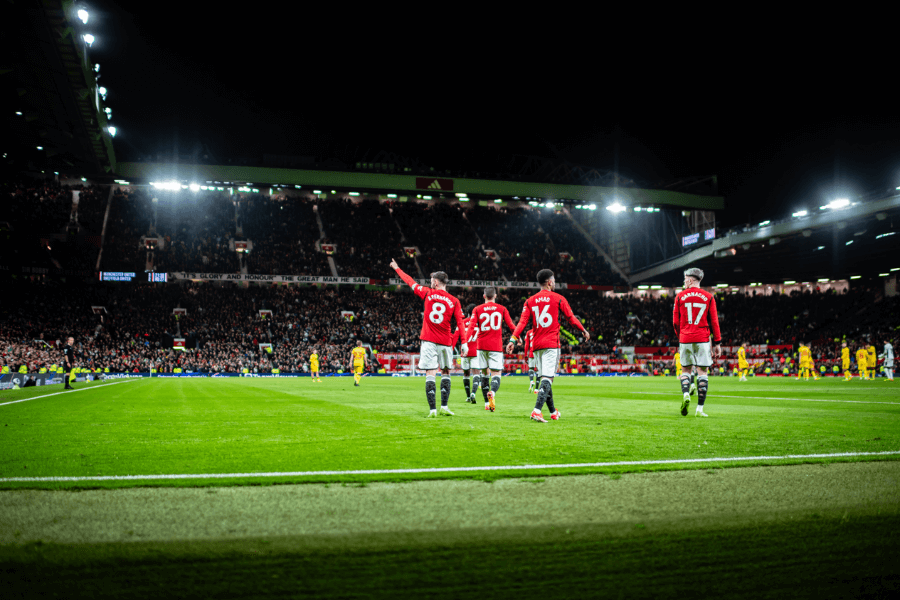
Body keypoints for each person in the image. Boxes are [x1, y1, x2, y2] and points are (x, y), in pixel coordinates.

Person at [506, 269, 589, 423]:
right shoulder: (558, 298)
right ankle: (537, 411)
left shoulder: (530, 301)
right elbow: (571, 318)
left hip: (536, 346)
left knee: (545, 378)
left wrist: (513, 339)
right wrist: (583, 330)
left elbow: (522, 322)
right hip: (551, 344)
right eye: (554, 280)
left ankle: (552, 411)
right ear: (550, 282)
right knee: (547, 379)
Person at [390, 258, 465, 417]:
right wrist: (463, 342)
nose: (430, 283)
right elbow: (460, 323)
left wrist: (397, 268)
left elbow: (409, 282)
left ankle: (433, 410)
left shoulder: (427, 293)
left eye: (432, 280)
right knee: (445, 372)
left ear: (436, 283)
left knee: (430, 373)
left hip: (429, 341)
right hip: (445, 341)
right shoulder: (454, 301)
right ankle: (444, 407)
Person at [672, 267, 722, 417]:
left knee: (686, 371)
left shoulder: (680, 296)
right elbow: (714, 322)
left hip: (685, 338)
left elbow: (675, 322)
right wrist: (717, 343)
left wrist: (681, 336)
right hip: (703, 338)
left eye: (685, 278)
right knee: (702, 372)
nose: (684, 281)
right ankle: (699, 409)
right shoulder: (709, 297)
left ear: (691, 280)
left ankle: (686, 393)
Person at [465, 287, 516, 412]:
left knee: (484, 374)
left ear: (484, 296)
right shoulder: (502, 309)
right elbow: (511, 326)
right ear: (495, 296)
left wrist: (464, 343)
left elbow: (471, 328)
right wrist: (516, 338)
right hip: (496, 346)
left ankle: (487, 404)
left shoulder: (477, 309)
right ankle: (492, 391)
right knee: (496, 374)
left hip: (481, 346)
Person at [457, 303, 481, 403]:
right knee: (476, 373)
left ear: (467, 312)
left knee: (466, 374)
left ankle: (467, 396)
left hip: (464, 352)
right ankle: (473, 393)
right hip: (475, 351)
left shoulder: (462, 322)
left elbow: (458, 337)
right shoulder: (479, 323)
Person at [524, 329, 537, 393]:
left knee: (531, 369)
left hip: (531, 353)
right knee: (539, 370)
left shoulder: (529, 332)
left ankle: (531, 381)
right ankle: (536, 389)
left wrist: (525, 355)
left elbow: (527, 345)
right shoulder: (540, 329)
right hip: (538, 352)